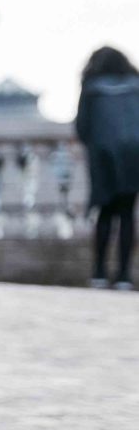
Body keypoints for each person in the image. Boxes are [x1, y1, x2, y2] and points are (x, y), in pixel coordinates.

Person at [75, 46, 139, 289]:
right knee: (127, 214)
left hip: (103, 154)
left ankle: (99, 271)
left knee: (104, 212)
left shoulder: (91, 87)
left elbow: (82, 127)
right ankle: (124, 275)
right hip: (134, 153)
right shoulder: (135, 83)